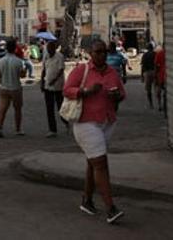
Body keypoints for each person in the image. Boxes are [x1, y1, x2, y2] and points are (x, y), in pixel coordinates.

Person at [63, 40, 126, 224]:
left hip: (106, 122)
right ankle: (110, 208)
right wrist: (85, 91)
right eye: (98, 52)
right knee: (101, 164)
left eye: (104, 52)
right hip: (86, 123)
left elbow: (122, 93)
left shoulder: (112, 72)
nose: (102, 55)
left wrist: (117, 96)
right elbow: (67, 90)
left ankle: (87, 200)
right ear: (90, 53)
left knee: (93, 163)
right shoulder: (82, 70)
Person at [0, 38, 27, 137]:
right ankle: (18, 129)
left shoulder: (0, 61)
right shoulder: (19, 61)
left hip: (4, 87)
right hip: (15, 87)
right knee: (17, 109)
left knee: (2, 108)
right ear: (15, 49)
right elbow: (22, 75)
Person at [41, 40, 66, 137]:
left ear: (54, 49)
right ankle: (52, 130)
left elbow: (61, 70)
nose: (49, 51)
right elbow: (44, 69)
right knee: (49, 108)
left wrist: (54, 80)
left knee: (60, 107)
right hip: (48, 85)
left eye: (51, 49)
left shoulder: (59, 56)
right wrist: (42, 83)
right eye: (48, 49)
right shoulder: (46, 56)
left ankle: (65, 121)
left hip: (58, 86)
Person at [140, 43, 157, 108]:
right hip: (155, 72)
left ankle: (151, 103)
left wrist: (142, 75)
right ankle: (159, 101)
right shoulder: (155, 54)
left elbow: (142, 66)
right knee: (157, 87)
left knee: (148, 89)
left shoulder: (145, 55)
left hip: (147, 72)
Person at [154, 44, 167, 112]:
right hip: (164, 76)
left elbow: (156, 65)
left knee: (159, 91)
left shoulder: (160, 54)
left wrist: (155, 75)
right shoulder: (161, 53)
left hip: (161, 76)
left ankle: (160, 105)